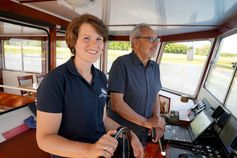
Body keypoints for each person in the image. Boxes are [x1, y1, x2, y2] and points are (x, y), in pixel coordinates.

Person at [36, 14, 143, 158]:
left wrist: (129, 134)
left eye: (99, 39)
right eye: (86, 38)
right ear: (74, 42)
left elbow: (103, 119)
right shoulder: (55, 80)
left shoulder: (101, 77)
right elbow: (44, 139)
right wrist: (90, 150)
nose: (95, 44)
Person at [107, 23, 166, 146]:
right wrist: (147, 122)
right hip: (122, 135)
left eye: (157, 40)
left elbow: (155, 95)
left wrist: (157, 121)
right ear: (135, 42)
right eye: (151, 39)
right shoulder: (121, 64)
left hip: (143, 134)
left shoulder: (155, 67)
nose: (156, 44)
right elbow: (116, 104)